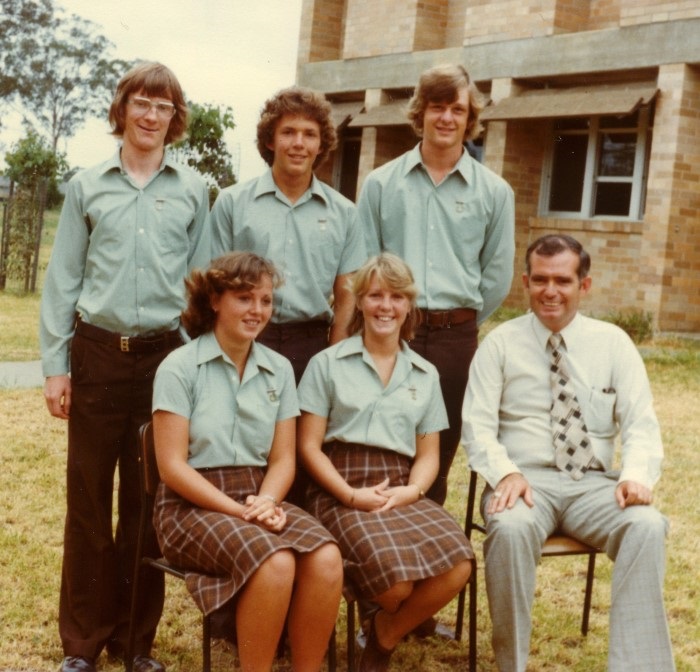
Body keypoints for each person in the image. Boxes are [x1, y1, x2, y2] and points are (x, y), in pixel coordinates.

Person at [39, 62, 210, 672]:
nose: (150, 115)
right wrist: (56, 367)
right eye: (140, 102)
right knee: (88, 500)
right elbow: (62, 282)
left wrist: (196, 365)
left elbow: (202, 287)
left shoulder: (193, 192)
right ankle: (82, 643)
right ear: (122, 109)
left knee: (148, 502)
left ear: (174, 117)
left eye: (162, 106)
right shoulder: (88, 187)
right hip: (96, 356)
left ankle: (135, 642)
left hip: (164, 361)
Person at [461, 234, 675, 672]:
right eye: (540, 280)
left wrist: (636, 475)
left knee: (647, 526)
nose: (550, 291)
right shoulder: (499, 344)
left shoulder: (612, 343)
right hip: (524, 483)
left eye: (562, 280)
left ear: (585, 284)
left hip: (593, 486)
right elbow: (477, 426)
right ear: (525, 281)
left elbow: (640, 421)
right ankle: (512, 667)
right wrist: (505, 474)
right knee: (510, 529)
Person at [152, 252, 343, 672]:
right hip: (189, 506)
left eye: (266, 300)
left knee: (326, 555)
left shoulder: (278, 369)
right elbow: (171, 467)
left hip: (258, 497)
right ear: (215, 300)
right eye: (244, 298)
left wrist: (268, 502)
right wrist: (240, 511)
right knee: (275, 560)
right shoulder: (179, 367)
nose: (257, 311)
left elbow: (283, 459)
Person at [297, 253, 473, 672]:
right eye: (376, 295)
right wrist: (349, 495)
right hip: (339, 486)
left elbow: (429, 456)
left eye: (396, 296)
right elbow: (308, 447)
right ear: (359, 302)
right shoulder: (327, 364)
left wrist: (413, 491)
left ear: (409, 305)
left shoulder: (425, 374)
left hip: (400, 487)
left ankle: (383, 636)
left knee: (460, 564)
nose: (385, 306)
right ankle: (385, 616)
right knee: (396, 586)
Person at [358, 63, 515, 508]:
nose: (447, 118)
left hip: (454, 338)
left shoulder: (494, 192)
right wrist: (392, 319)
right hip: (388, 331)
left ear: (470, 119)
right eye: (437, 107)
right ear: (420, 113)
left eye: (457, 109)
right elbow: (366, 267)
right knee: (380, 442)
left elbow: (497, 275)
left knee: (438, 452)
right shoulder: (380, 184)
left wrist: (456, 318)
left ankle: (426, 548)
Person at [210, 85, 366, 384]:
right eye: (288, 132)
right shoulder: (232, 203)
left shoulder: (345, 213)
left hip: (312, 346)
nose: (299, 143)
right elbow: (213, 287)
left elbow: (347, 298)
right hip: (245, 339)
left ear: (322, 145)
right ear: (270, 139)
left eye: (309, 134)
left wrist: (333, 362)